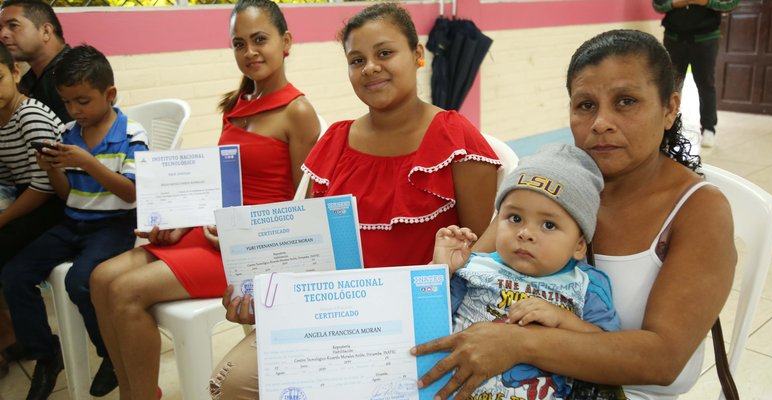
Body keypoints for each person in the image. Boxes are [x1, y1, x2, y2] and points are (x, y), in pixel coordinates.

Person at [413, 29, 737, 400]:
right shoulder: (551, 186)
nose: (601, 122)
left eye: (626, 101)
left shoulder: (699, 210)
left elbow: (661, 360)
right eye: (586, 105)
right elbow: (478, 270)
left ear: (669, 108)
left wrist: (521, 344)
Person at [209, 3, 500, 399]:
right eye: (356, 59)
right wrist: (264, 295)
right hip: (333, 317)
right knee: (228, 385)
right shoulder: (333, 143)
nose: (370, 68)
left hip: (422, 321)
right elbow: (307, 254)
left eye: (384, 53)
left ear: (417, 55)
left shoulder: (454, 138)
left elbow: (482, 254)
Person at [89, 0, 320, 398]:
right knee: (100, 278)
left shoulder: (298, 111)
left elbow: (303, 209)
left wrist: (239, 234)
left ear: (285, 42)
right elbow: (220, 184)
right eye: (238, 43)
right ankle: (134, 390)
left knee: (126, 291)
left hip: (254, 248)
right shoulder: (236, 104)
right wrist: (182, 221)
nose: (249, 52)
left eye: (260, 39)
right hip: (214, 233)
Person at [1, 44, 147, 400]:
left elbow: (131, 194)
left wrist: (88, 163)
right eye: (68, 102)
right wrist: (53, 170)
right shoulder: (68, 133)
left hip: (114, 224)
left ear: (109, 94)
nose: (74, 110)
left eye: (83, 101)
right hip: (72, 223)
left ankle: (111, 356)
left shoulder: (131, 134)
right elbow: (67, 196)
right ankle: (45, 354)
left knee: (81, 282)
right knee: (14, 275)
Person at [433, 143, 621, 400]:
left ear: (579, 245)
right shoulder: (472, 267)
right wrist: (441, 271)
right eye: (515, 218)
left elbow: (608, 353)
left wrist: (563, 320)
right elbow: (427, 325)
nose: (525, 233)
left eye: (548, 224)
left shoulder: (587, 284)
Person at [0, 40, 64, 378]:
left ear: (14, 72)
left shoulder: (31, 116)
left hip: (54, 201)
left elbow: (44, 187)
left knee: (11, 269)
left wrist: (3, 219)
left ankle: (39, 348)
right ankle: (13, 337)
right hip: (22, 198)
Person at [652, 0, 740, 148]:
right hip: (674, 37)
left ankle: (708, 128)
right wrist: (674, 4)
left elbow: (731, 3)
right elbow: (657, 5)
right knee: (671, 85)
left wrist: (705, 2)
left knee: (706, 83)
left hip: (706, 38)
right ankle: (668, 129)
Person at [0, 0, 71, 123]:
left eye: (13, 25)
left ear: (46, 31)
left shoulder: (77, 74)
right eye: (0, 28)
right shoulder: (26, 80)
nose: (2, 34)